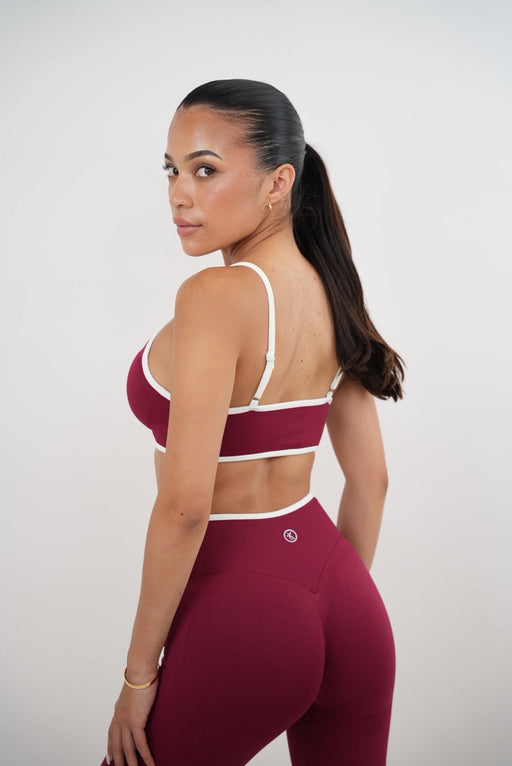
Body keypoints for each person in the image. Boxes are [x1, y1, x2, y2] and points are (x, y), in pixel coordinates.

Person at [100, 78, 405, 766]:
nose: (179, 194)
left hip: (248, 611)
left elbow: (185, 508)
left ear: (279, 182)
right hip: (348, 601)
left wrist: (138, 678)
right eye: (172, 171)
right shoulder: (333, 289)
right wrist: (320, 605)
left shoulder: (216, 295)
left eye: (206, 170)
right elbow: (372, 481)